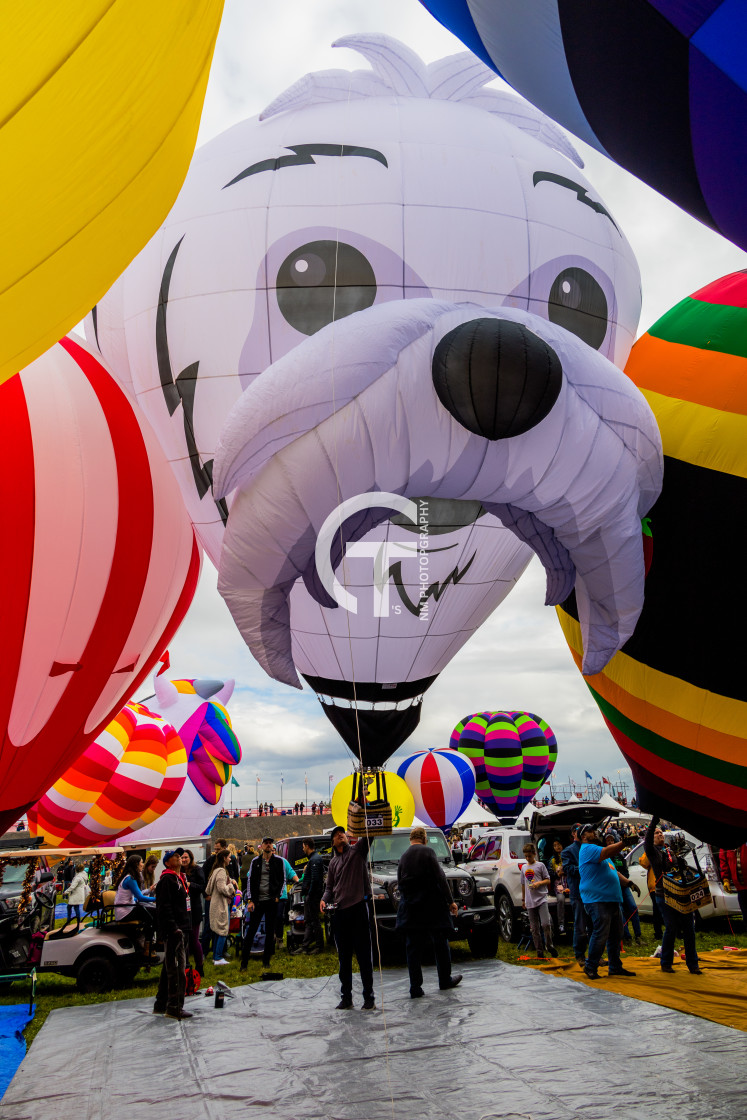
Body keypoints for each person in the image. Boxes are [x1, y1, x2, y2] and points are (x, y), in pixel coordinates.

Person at [395, 826, 462, 997]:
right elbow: (440, 877)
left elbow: (399, 883)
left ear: (410, 840)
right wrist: (450, 902)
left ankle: (415, 987)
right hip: (432, 906)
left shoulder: (402, 857)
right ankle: (444, 980)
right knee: (440, 943)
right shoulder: (428, 852)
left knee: (413, 949)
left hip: (411, 908)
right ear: (424, 838)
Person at [321, 826, 375, 1010]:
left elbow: (369, 835)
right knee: (344, 959)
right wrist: (323, 900)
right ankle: (346, 998)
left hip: (359, 909)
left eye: (342, 833)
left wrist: (362, 806)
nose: (340, 835)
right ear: (333, 843)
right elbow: (329, 888)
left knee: (364, 957)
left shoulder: (358, 852)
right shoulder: (333, 864)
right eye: (336, 835)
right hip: (340, 913)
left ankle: (369, 997)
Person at [578, 824, 636, 980]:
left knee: (617, 934)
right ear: (583, 837)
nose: (594, 833)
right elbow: (608, 850)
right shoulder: (588, 849)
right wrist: (624, 843)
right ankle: (590, 966)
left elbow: (613, 871)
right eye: (590, 831)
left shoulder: (600, 854)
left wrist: (628, 883)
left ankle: (615, 967)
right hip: (597, 900)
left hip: (610, 900)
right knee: (600, 934)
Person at [644, 817, 701, 975]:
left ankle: (693, 963)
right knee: (671, 928)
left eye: (661, 833)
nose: (659, 835)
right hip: (664, 894)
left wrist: (680, 864)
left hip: (679, 891)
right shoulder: (652, 851)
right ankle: (666, 962)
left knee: (689, 927)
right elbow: (647, 841)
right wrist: (653, 823)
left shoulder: (669, 850)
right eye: (656, 833)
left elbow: (675, 867)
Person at [154, 848, 191, 1020]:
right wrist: (174, 928)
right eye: (175, 856)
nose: (179, 858)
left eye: (179, 856)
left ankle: (161, 1004)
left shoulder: (179, 878)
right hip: (175, 930)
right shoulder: (167, 880)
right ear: (168, 862)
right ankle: (174, 1007)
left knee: (168, 967)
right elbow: (164, 907)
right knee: (177, 969)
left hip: (181, 927)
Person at [240, 837, 286, 971]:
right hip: (258, 901)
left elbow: (282, 879)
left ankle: (266, 961)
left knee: (270, 931)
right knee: (251, 931)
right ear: (261, 846)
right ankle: (244, 963)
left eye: (270, 843)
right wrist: (250, 899)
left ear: (272, 846)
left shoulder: (279, 861)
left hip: (271, 901)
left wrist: (278, 896)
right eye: (266, 843)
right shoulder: (256, 861)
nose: (268, 845)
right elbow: (250, 880)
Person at [604, 829, 642, 944]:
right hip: (613, 888)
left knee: (633, 907)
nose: (610, 842)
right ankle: (626, 936)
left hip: (624, 886)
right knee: (619, 911)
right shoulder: (605, 857)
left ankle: (638, 935)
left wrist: (626, 881)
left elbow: (625, 871)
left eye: (612, 840)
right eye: (608, 841)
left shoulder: (620, 856)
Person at [521, 843, 556, 958]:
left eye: (529, 856)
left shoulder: (540, 865)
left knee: (546, 923)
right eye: (526, 856)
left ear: (534, 854)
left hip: (541, 899)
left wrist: (538, 884)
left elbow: (548, 880)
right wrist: (523, 899)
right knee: (534, 928)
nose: (527, 858)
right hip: (530, 901)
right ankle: (539, 950)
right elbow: (523, 884)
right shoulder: (524, 868)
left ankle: (550, 946)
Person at [561, 825, 589, 965]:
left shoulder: (590, 847)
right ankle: (580, 955)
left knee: (594, 925)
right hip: (578, 892)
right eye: (580, 830)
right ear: (573, 833)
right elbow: (567, 869)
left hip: (592, 892)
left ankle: (595, 955)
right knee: (580, 925)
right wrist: (585, 868)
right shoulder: (568, 851)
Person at [292, 840, 325, 955]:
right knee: (310, 921)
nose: (302, 849)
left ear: (307, 846)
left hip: (313, 896)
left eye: (303, 847)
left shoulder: (315, 859)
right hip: (310, 895)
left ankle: (319, 946)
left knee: (314, 921)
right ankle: (305, 946)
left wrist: (310, 894)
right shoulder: (313, 859)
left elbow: (315, 880)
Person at [206, 848, 238, 965]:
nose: (230, 859)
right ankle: (218, 957)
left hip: (215, 904)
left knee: (217, 931)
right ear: (224, 858)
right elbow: (222, 888)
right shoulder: (221, 871)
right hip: (220, 905)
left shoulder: (215, 871)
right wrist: (231, 887)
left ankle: (215, 956)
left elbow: (208, 889)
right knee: (223, 930)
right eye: (229, 857)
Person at [201, 838, 228, 957]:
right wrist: (206, 895)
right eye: (215, 849)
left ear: (224, 849)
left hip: (224, 899)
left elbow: (234, 876)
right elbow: (203, 879)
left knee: (222, 925)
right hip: (213, 899)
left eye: (218, 849)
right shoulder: (211, 862)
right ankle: (205, 951)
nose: (216, 851)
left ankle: (221, 950)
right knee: (210, 925)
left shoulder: (230, 861)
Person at [180, 849, 205, 972]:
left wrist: (190, 884)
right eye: (182, 858)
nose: (184, 860)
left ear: (191, 858)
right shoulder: (179, 871)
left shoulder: (197, 870)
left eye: (186, 857)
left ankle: (200, 966)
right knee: (185, 940)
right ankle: (186, 966)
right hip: (183, 910)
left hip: (194, 908)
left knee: (194, 940)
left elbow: (202, 887)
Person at [113, 854, 156, 925]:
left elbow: (133, 898)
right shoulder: (130, 879)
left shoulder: (128, 877)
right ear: (136, 865)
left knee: (149, 910)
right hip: (125, 913)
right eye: (141, 862)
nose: (143, 864)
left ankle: (147, 934)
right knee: (154, 912)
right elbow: (140, 897)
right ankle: (149, 935)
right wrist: (156, 899)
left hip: (123, 911)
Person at [274, 846, 300, 947]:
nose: (272, 851)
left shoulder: (282, 861)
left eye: (273, 850)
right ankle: (271, 937)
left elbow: (291, 872)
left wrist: (298, 881)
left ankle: (279, 939)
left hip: (281, 895)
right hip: (268, 895)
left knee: (279, 917)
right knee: (270, 917)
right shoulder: (264, 862)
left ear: (275, 851)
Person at [719, 842, 747, 922]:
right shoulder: (728, 840)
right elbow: (723, 859)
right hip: (740, 887)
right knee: (746, 917)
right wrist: (726, 879)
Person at [549, 839, 568, 934]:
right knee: (560, 899)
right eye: (555, 845)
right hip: (559, 885)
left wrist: (566, 871)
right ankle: (561, 924)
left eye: (559, 844)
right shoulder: (552, 860)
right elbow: (549, 873)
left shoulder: (568, 857)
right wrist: (557, 874)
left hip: (569, 884)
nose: (557, 847)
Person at [62, 861, 88, 927]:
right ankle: (77, 921)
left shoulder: (78, 877)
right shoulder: (83, 875)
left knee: (72, 907)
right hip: (79, 893)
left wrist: (65, 892)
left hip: (76, 894)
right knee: (75, 907)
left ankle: (70, 921)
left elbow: (72, 887)